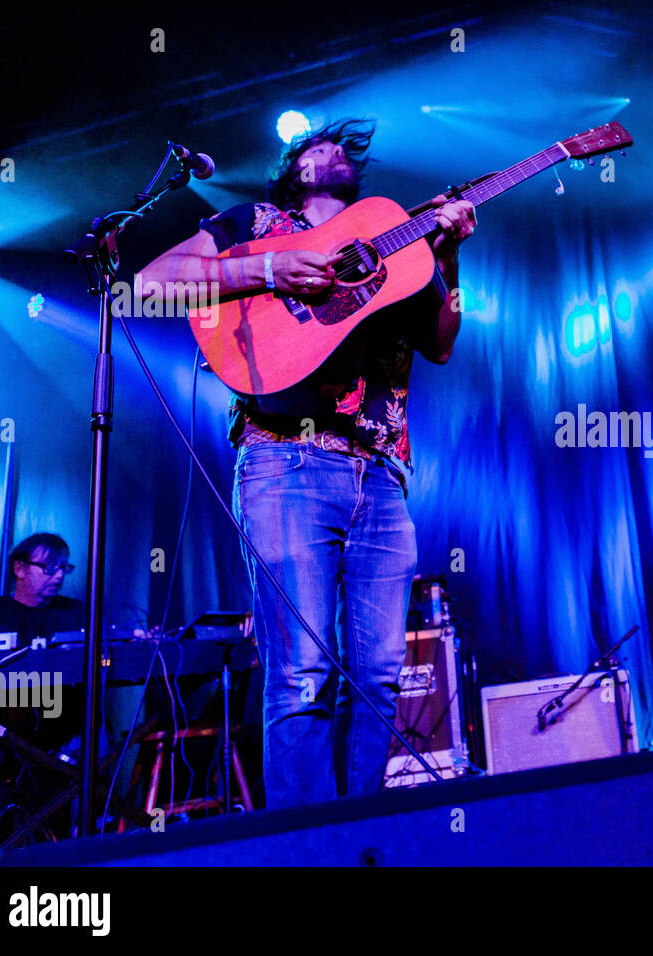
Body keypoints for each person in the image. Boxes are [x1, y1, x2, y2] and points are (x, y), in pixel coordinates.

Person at [139, 119, 476, 808]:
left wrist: (448, 257)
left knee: (380, 672)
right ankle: (308, 848)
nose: (331, 152)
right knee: (301, 673)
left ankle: (360, 837)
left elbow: (440, 345)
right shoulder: (256, 221)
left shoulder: (393, 235)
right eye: (315, 147)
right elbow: (153, 284)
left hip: (380, 475)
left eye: (341, 149)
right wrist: (265, 267)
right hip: (285, 460)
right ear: (292, 170)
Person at [0, 533, 85, 862]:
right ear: (19, 567)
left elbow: (104, 662)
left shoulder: (79, 616)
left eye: (63, 568)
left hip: (63, 736)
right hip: (0, 735)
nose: (59, 576)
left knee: (96, 748)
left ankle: (85, 852)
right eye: (49, 567)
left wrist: (123, 645)